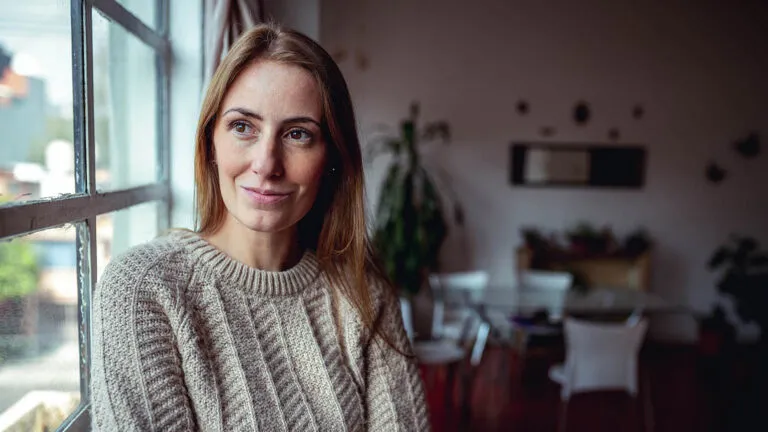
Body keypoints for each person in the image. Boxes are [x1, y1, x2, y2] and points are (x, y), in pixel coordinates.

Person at [91, 23, 429, 431]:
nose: (267, 164)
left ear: (332, 159)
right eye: (242, 126)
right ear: (210, 142)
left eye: (298, 134)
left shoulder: (363, 292)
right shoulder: (143, 290)